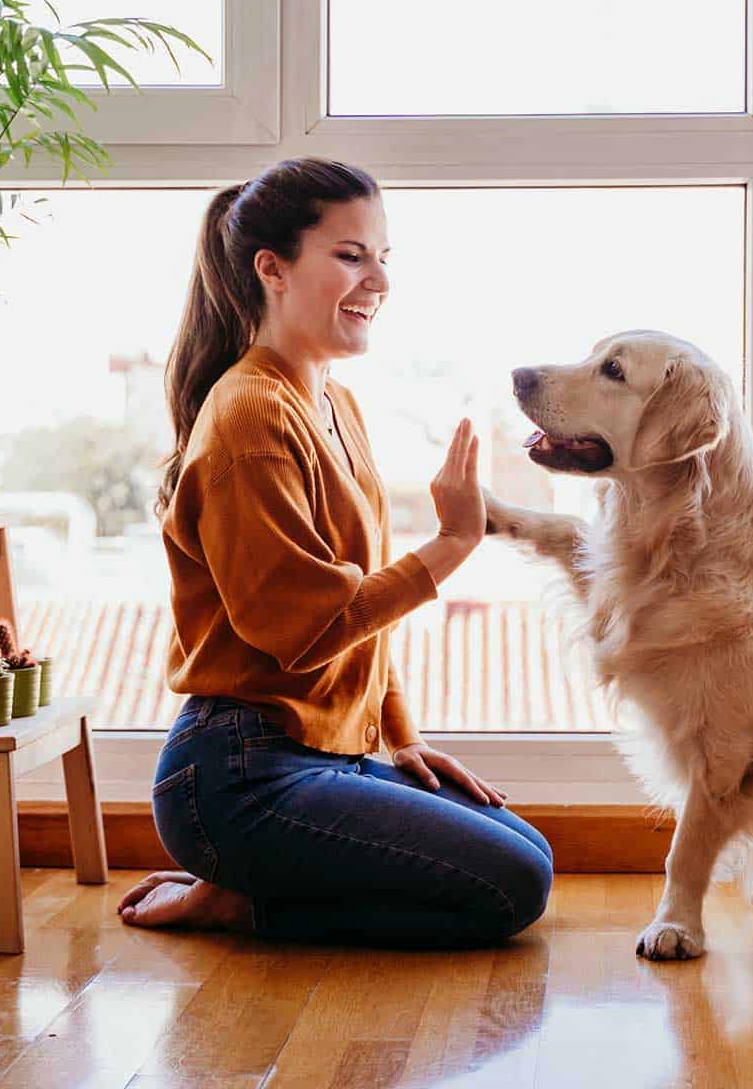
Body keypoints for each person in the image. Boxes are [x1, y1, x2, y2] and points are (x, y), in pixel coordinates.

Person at [117, 157, 553, 945]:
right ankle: (237, 901)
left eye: (384, 257)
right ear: (272, 269)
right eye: (351, 256)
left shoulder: (331, 400)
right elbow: (304, 631)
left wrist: (400, 735)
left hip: (325, 751)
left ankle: (249, 889)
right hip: (237, 774)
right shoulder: (249, 418)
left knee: (529, 852)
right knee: (512, 886)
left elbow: (359, 621)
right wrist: (454, 542)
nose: (377, 280)